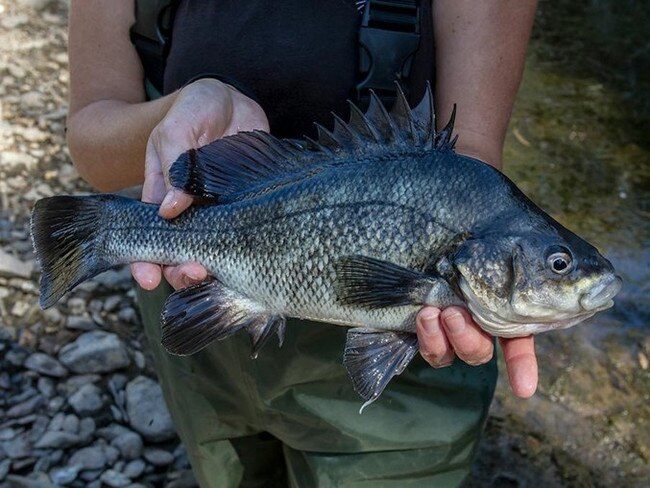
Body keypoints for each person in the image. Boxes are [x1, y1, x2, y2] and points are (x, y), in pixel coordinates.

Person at [66, 1, 539, 486]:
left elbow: (471, 158)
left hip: (405, 386)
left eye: (559, 265)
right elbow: (89, 135)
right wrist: (175, 114)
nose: (566, 274)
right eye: (559, 264)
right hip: (209, 328)